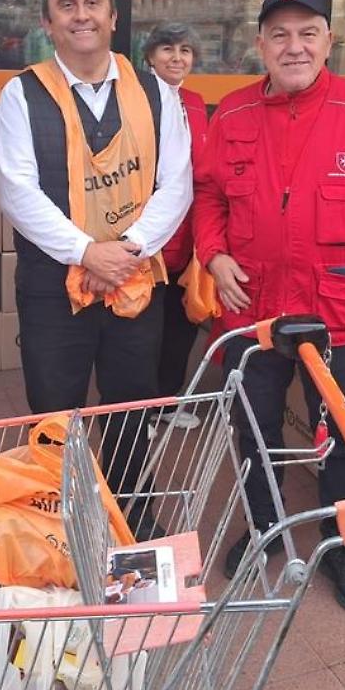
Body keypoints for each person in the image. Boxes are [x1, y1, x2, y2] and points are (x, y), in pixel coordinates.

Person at [193, 0, 345, 615]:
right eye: (280, 34)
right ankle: (265, 525)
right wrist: (214, 253)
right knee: (253, 428)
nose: (294, 46)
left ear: (328, 43)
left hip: (337, 310)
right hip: (252, 306)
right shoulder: (230, 113)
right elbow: (209, 194)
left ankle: (339, 543)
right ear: (260, 45)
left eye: (307, 33)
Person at [0, 0, 192, 541]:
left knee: (131, 403)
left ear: (113, 16)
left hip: (134, 278)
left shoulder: (156, 91)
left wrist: (128, 249)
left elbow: (175, 182)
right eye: (67, 5)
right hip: (53, 286)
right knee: (55, 407)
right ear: (48, 22)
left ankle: (131, 507)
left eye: (92, 2)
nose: (82, 15)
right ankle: (57, 514)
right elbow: (16, 189)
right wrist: (86, 251)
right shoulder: (21, 93)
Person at [142, 22, 210, 418]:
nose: (177, 57)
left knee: (182, 321)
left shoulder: (197, 102)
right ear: (150, 56)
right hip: (149, 231)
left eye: (185, 50)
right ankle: (139, 407)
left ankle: (166, 401)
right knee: (142, 326)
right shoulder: (134, 98)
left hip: (190, 230)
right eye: (167, 48)